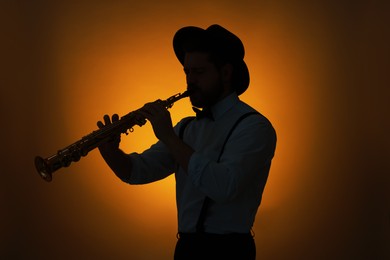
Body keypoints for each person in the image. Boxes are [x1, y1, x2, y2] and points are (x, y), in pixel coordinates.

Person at [97, 24, 277, 260]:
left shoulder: (255, 127)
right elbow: (137, 172)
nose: (190, 81)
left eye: (199, 72)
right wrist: (110, 151)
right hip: (187, 249)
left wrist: (169, 138)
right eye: (187, 72)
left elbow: (224, 187)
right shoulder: (186, 128)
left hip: (230, 251)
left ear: (225, 73)